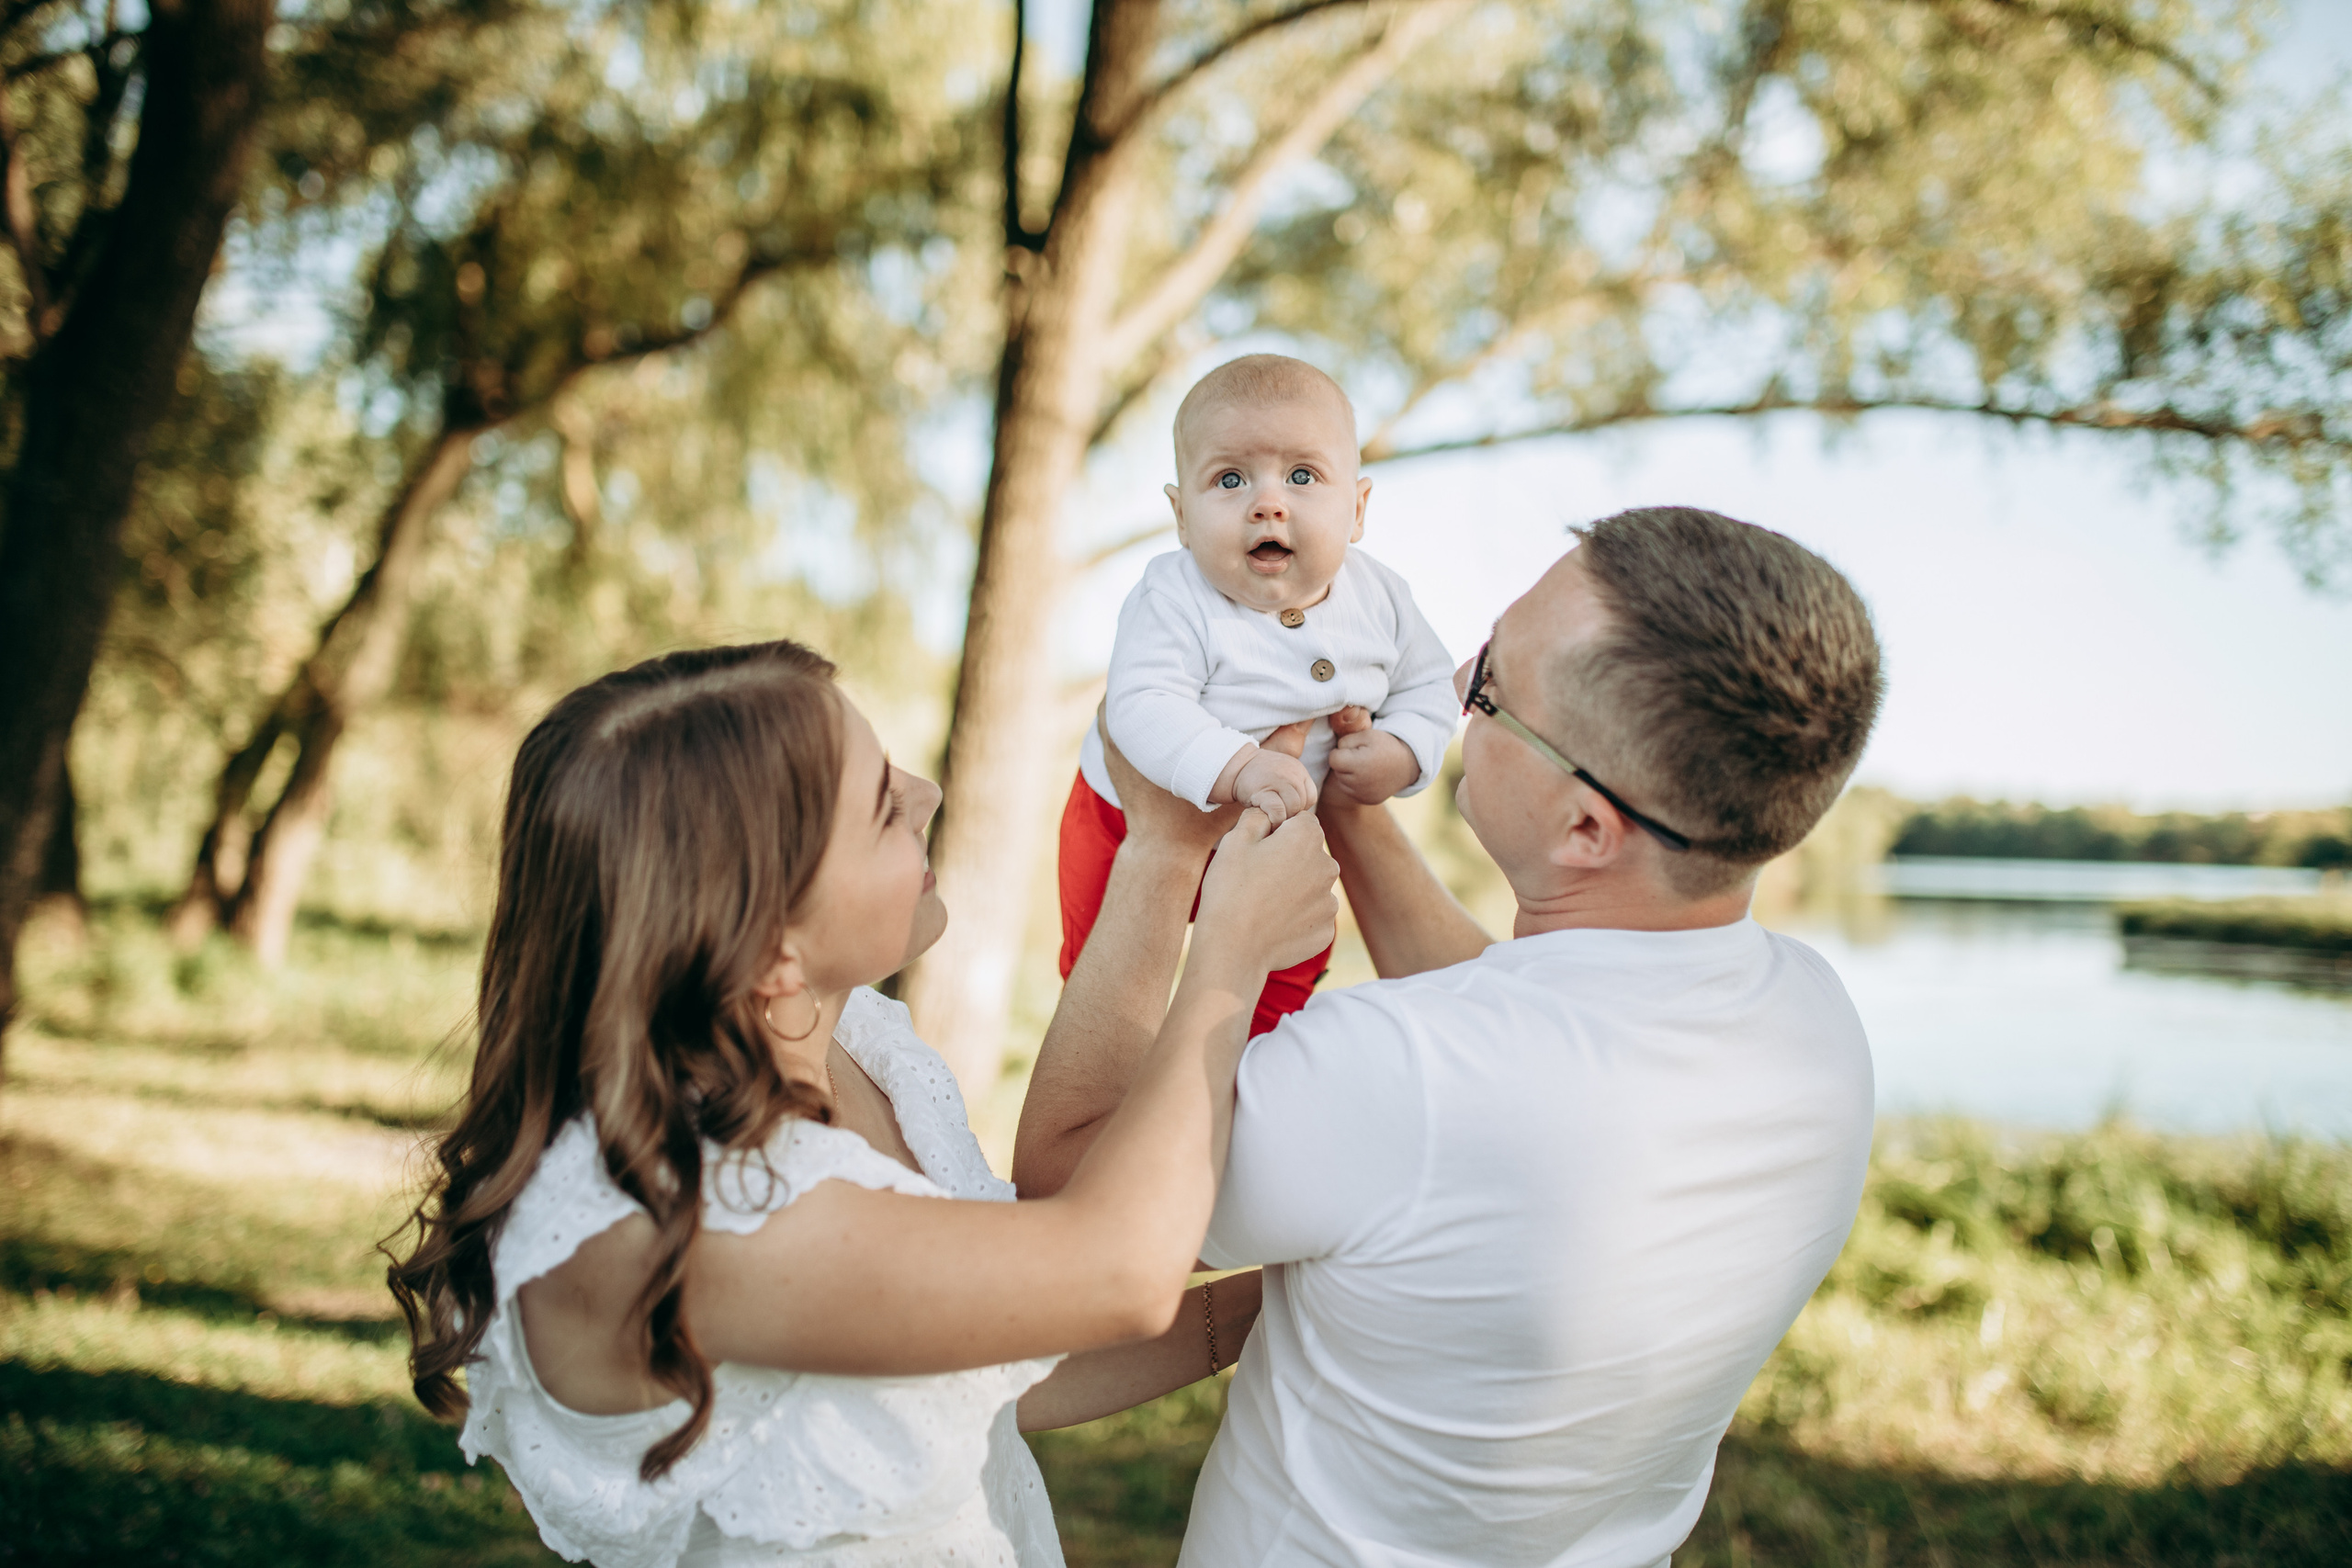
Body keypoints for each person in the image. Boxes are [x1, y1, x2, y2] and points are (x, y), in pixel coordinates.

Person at [1018, 506, 1887, 1567]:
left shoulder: (1394, 1074)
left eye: (1488, 689)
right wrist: (1341, 797)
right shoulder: (1813, 1020)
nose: (1456, 686)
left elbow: (1067, 1209)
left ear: (1586, 827)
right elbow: (1515, 1017)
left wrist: (1170, 871)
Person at [385, 639, 1337, 1568]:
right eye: (883, 807)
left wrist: (1163, 848)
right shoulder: (686, 1210)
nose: (926, 794)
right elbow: (1114, 1272)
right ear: (766, 945)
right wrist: (1229, 959)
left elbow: (989, 1351)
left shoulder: (864, 1056)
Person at [1060, 353, 1457, 1037]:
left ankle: (1259, 1045)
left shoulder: (1383, 598)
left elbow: (1430, 686)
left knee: (1294, 946)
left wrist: (1399, 751)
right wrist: (1239, 767)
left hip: (1284, 830)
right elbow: (1142, 703)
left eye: (1302, 475)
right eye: (1230, 478)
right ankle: (1108, 1034)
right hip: (1126, 814)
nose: (1267, 501)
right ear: (1182, 516)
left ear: (1357, 509)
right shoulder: (1173, 594)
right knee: (1105, 946)